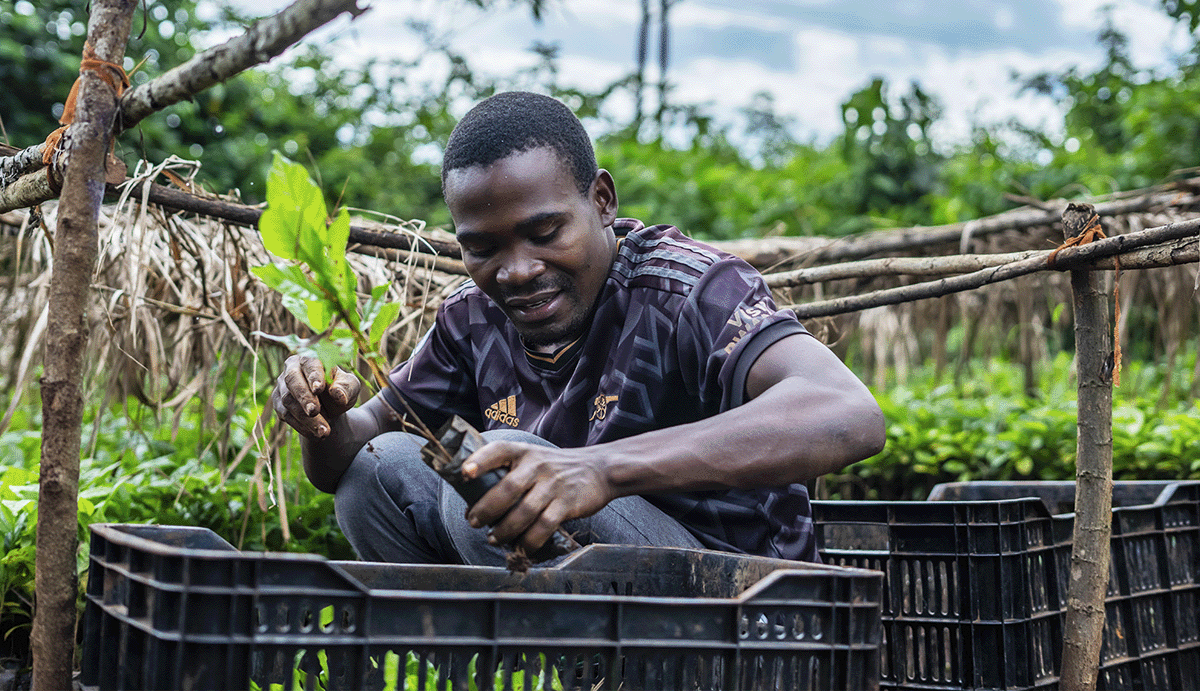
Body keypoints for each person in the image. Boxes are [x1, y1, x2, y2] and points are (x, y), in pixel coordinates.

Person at [272, 91, 884, 566]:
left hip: (737, 608)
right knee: (378, 469)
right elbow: (348, 460)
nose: (516, 271)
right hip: (581, 586)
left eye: (544, 234)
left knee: (507, 475)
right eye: (482, 248)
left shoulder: (688, 288)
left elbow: (847, 413)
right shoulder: (472, 316)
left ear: (602, 201)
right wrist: (320, 418)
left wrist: (599, 469)